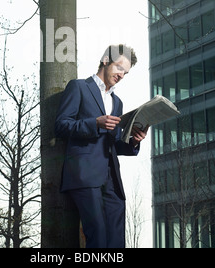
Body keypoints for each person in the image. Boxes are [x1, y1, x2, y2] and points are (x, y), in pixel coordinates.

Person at [54, 44, 149, 248]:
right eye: (119, 68)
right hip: (84, 174)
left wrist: (133, 141)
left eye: (126, 72)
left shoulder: (117, 102)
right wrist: (95, 123)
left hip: (112, 178)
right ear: (106, 60)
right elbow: (61, 126)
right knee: (97, 236)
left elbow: (113, 143)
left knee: (116, 241)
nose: (122, 75)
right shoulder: (79, 87)